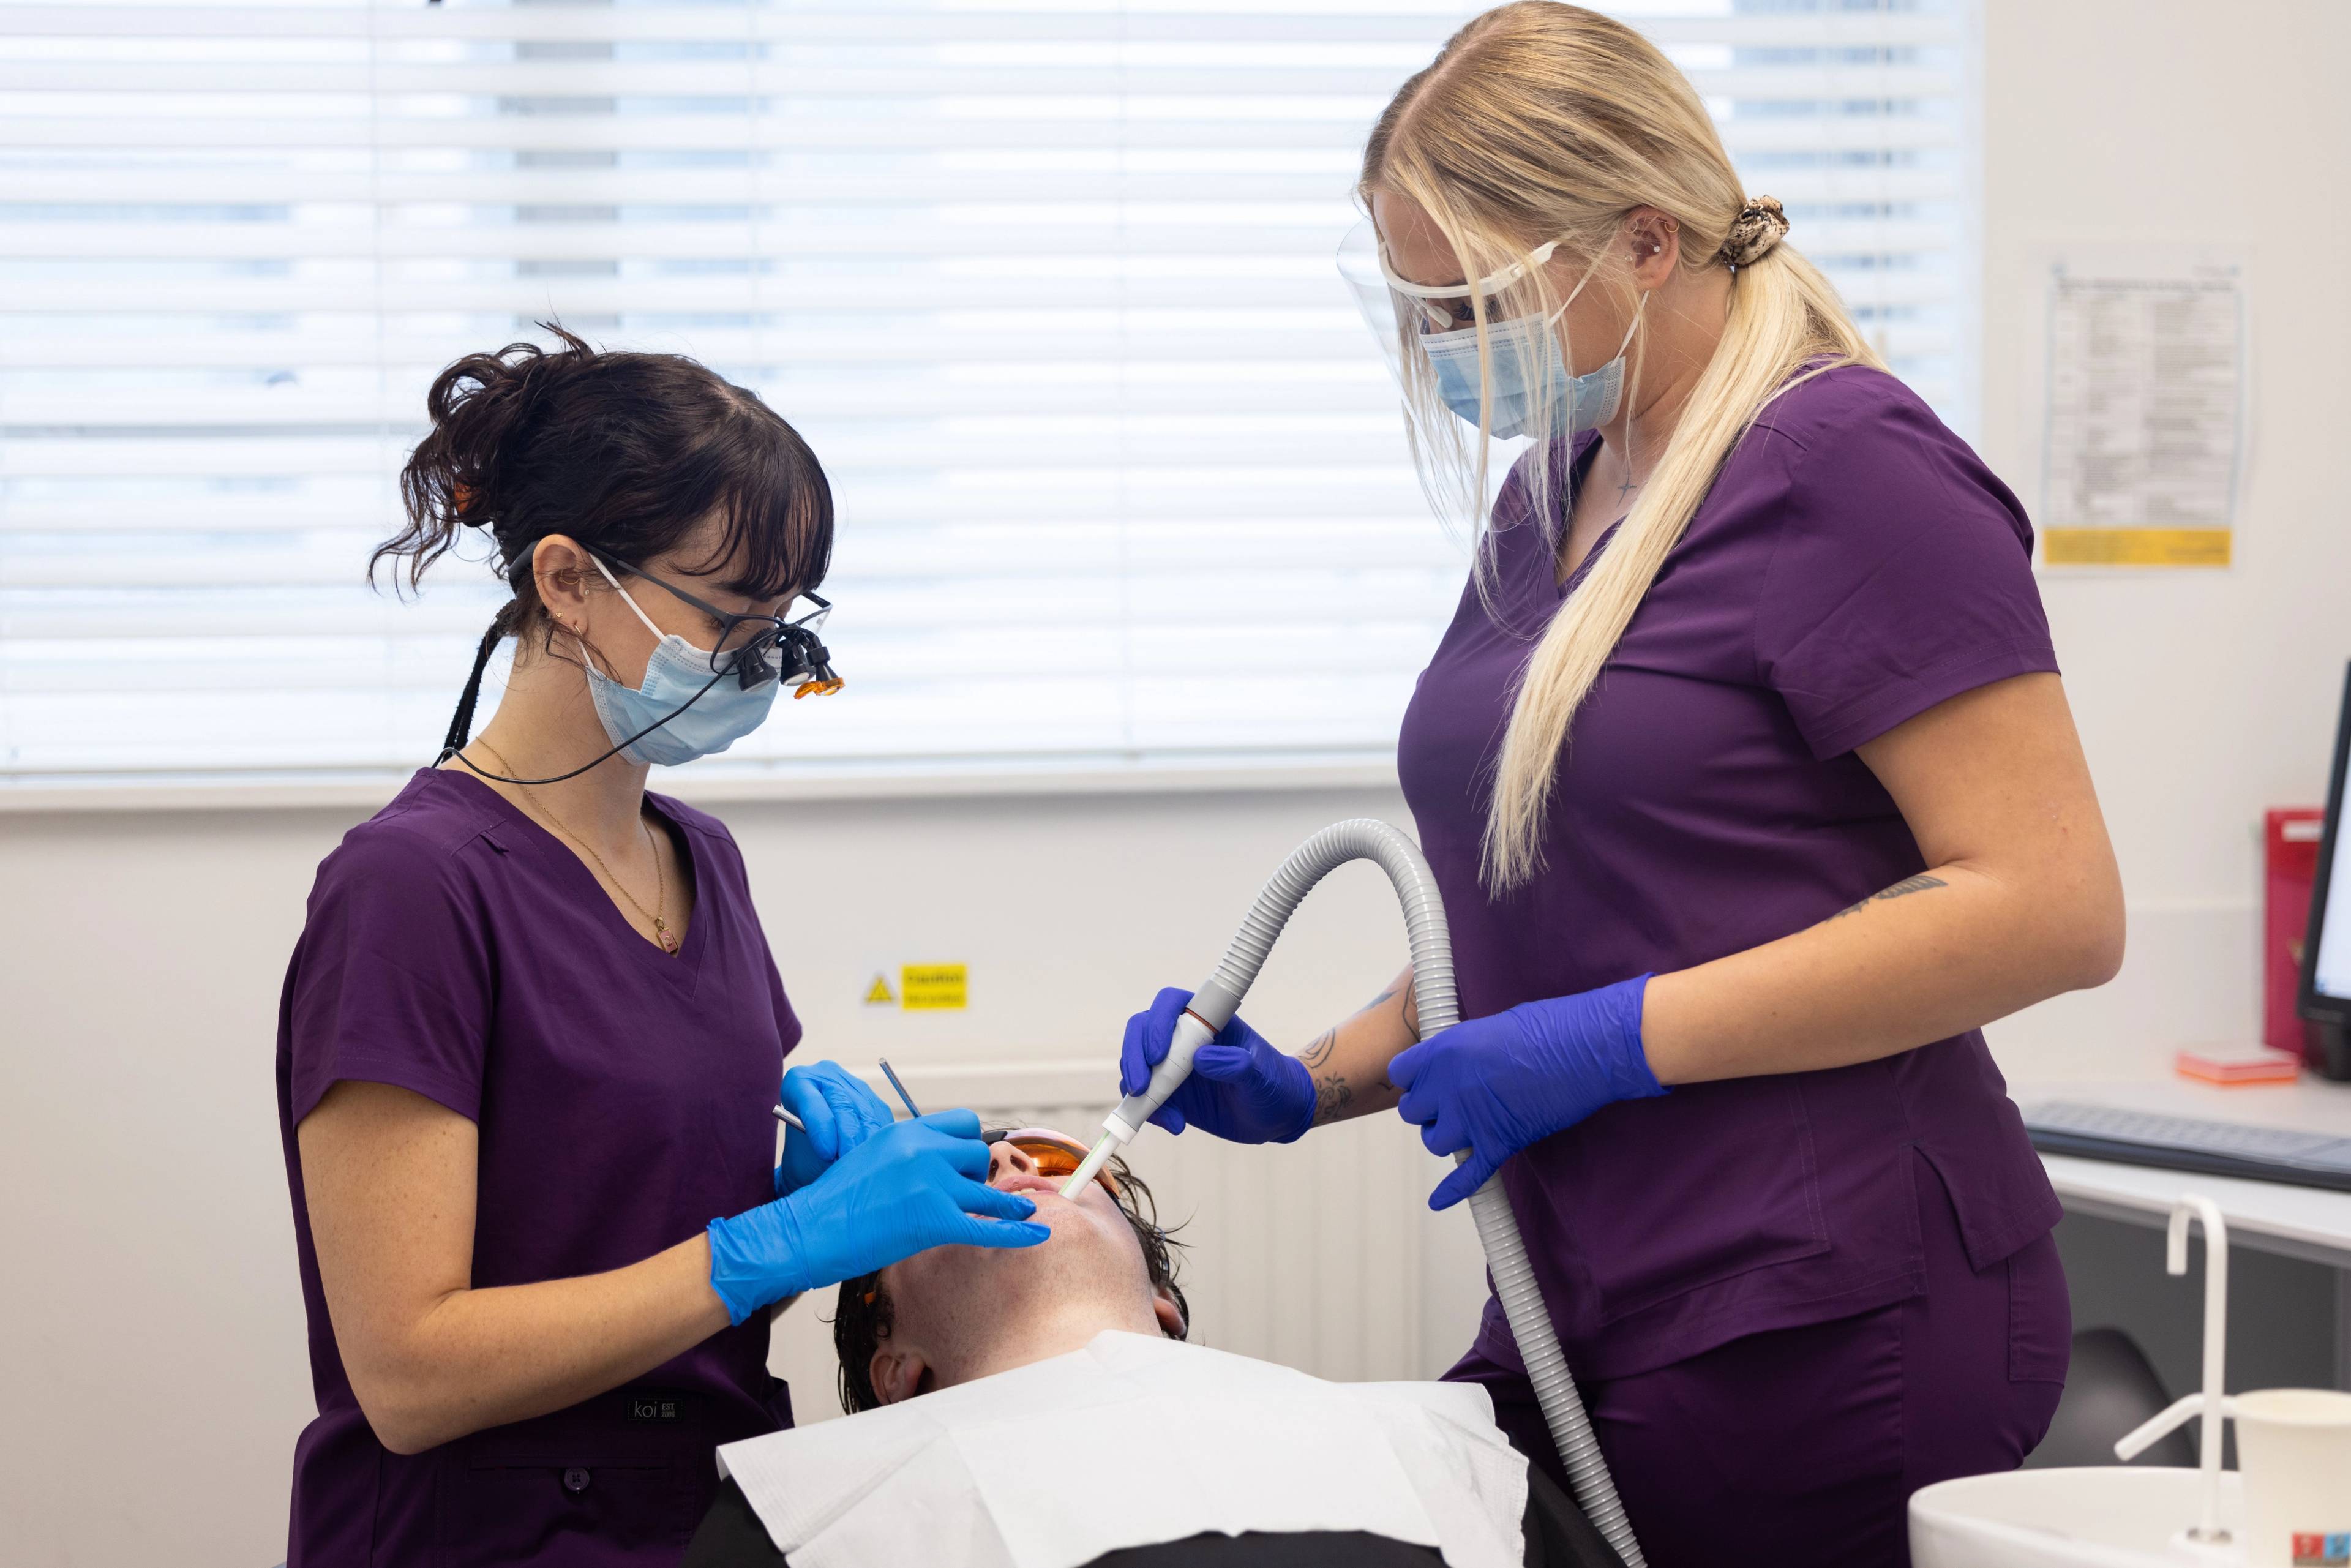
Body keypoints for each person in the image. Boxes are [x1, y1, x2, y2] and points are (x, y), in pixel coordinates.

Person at [1116, 6, 2122, 1564]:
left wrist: (1613, 1042)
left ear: (1647, 240)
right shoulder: (1560, 495)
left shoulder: (1848, 467)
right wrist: (1310, 1080)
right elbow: (1563, 913)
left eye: (1473, 302)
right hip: (1590, 1286)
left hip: (1829, 1304)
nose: (1446, 349)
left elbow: (2049, 909)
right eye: (1420, 309)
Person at [276, 328, 1048, 1567]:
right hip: (484, 1530)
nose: (756, 666)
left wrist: (800, 1217)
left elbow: (668, 1301)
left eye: (779, 633)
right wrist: (761, 1248)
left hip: (702, 1504)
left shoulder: (703, 863)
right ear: (569, 581)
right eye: (727, 619)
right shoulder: (411, 889)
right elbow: (409, 1376)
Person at [685, 1130, 1622, 1568]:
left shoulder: (1434, 1439)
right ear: (899, 1370)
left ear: (1166, 1303)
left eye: (1048, 1159)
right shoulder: (809, 1512)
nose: (1012, 1167)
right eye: (959, 1181)